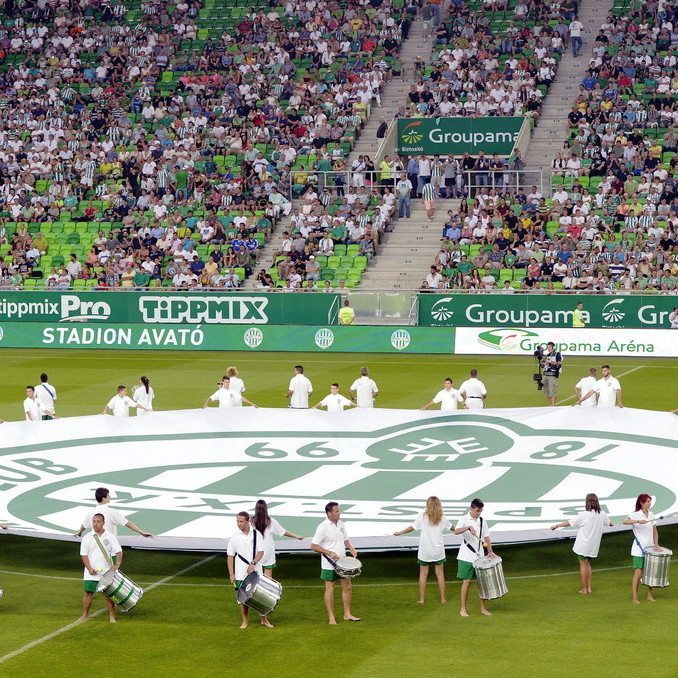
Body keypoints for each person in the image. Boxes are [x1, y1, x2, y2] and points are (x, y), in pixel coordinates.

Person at [393, 496, 452, 604]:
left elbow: (412, 527)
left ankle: (422, 599)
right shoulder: (442, 517)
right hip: (438, 550)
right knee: (440, 574)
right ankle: (443, 599)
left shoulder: (422, 517)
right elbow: (453, 528)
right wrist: (465, 529)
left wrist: (400, 532)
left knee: (423, 574)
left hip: (425, 551)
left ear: (428, 505)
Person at [551, 493, 612, 594]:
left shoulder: (584, 514)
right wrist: (611, 524)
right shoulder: (602, 513)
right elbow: (608, 523)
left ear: (587, 502)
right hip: (593, 545)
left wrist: (556, 525)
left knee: (583, 565)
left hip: (583, 545)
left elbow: (569, 522)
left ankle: (584, 589)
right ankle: (589, 587)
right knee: (588, 564)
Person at [311, 502, 361, 624]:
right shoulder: (322, 527)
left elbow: (345, 539)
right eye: (336, 511)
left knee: (347, 586)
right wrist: (329, 552)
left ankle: (347, 614)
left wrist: (352, 548)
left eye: (339, 511)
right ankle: (331, 617)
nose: (339, 513)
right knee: (330, 589)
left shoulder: (341, 524)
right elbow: (313, 546)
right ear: (329, 514)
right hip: (329, 564)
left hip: (343, 562)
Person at [454, 498, 496, 617]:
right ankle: (463, 609)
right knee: (466, 581)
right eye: (478, 510)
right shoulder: (463, 519)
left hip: (480, 556)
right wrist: (467, 528)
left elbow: (487, 537)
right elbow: (456, 531)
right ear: (472, 509)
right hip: (466, 555)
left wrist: (490, 551)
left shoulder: (482, 521)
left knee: (482, 583)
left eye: (481, 511)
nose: (479, 513)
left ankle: (483, 608)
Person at [79, 513, 123, 623]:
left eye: (98, 521)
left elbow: (119, 552)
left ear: (103, 523)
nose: (95, 524)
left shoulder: (110, 537)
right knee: (88, 593)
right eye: (94, 521)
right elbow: (83, 554)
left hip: (106, 571)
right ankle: (84, 615)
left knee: (108, 595)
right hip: (91, 572)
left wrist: (116, 565)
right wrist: (89, 568)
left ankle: (112, 617)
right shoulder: (87, 537)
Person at [226, 511, 267, 629]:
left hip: (256, 569)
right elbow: (230, 556)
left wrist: (253, 563)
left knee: (260, 595)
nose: (239, 524)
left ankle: (264, 619)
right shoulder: (234, 537)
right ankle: (245, 621)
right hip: (240, 572)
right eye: (237, 521)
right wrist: (231, 574)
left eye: (241, 521)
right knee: (241, 597)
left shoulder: (256, 534)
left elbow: (261, 551)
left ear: (248, 521)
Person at [623, 494, 662, 604]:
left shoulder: (651, 514)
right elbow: (625, 521)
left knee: (650, 572)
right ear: (641, 502)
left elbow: (655, 531)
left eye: (650, 501)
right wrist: (638, 521)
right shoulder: (635, 514)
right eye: (647, 501)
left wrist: (656, 544)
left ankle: (649, 595)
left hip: (650, 548)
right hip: (638, 548)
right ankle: (634, 597)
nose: (649, 503)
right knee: (638, 572)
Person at [253, 500, 304, 580]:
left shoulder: (251, 521)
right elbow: (283, 532)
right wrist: (296, 536)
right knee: (268, 578)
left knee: (254, 575)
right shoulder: (271, 521)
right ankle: (267, 591)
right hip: (267, 551)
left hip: (255, 551)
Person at [74, 487, 153, 538]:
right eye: (108, 495)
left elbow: (84, 525)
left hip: (95, 545)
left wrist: (79, 532)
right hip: (109, 546)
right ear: (103, 498)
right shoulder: (112, 512)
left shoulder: (91, 512)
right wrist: (141, 532)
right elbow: (127, 523)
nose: (110, 497)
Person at [541, 342, 562, 407]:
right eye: (547, 347)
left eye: (549, 347)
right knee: (546, 391)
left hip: (552, 374)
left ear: (553, 347)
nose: (548, 348)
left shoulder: (557, 354)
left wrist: (550, 362)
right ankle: (549, 405)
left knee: (552, 391)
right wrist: (542, 364)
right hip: (545, 374)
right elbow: (543, 365)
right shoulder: (547, 355)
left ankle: (553, 406)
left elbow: (559, 363)